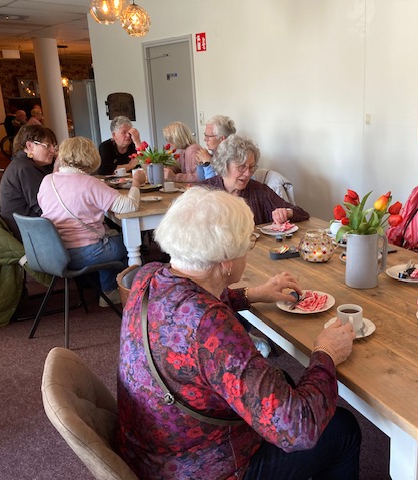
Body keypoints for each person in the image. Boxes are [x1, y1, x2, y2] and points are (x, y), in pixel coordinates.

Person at [117, 187, 361, 479]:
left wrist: (253, 294)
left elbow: (190, 306)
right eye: (249, 243)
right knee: (343, 430)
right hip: (201, 467)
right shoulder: (211, 328)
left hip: (149, 448)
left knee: (282, 380)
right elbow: (300, 429)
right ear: (227, 262)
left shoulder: (149, 276)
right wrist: (326, 353)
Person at [37, 137, 147, 306]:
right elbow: (129, 206)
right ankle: (125, 294)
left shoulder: (47, 180)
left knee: (110, 236)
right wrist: (136, 183)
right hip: (84, 253)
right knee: (130, 243)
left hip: (54, 252)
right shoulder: (89, 183)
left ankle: (109, 289)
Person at [202, 134, 309, 225]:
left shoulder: (259, 191)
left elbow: (301, 213)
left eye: (252, 167)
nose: (248, 173)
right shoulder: (204, 191)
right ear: (224, 165)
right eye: (242, 167)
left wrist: (287, 213)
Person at [0, 125, 57, 238]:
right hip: (28, 232)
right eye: (47, 146)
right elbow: (45, 207)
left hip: (23, 225)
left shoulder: (22, 163)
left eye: (54, 146)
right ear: (30, 146)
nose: (53, 150)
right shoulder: (26, 168)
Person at [196, 114, 236, 179]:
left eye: (208, 136)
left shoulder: (232, 158)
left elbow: (214, 184)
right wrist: (200, 164)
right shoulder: (214, 155)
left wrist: (208, 164)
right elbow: (202, 181)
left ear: (222, 139)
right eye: (205, 135)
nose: (205, 139)